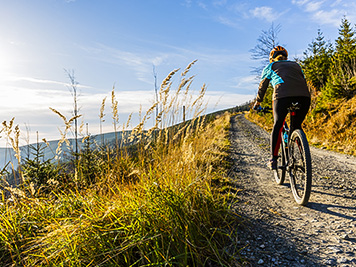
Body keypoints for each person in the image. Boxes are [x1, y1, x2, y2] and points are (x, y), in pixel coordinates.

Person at [253, 46, 311, 170]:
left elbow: (262, 87)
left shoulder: (270, 67)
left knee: (278, 125)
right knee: (296, 126)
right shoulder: (296, 65)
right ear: (286, 57)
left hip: (282, 97)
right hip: (304, 97)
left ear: (272, 58)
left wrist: (258, 103)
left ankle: (273, 160)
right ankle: (303, 157)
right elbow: (303, 80)